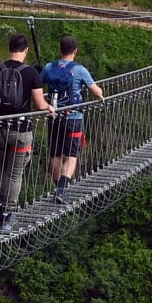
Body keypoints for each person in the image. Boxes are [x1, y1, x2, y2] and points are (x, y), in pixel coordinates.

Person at [0, 30, 53, 223]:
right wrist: (49, 107)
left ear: (10, 48)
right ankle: (8, 214)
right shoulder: (31, 73)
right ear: (26, 50)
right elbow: (40, 104)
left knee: (0, 166)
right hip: (21, 130)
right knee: (15, 173)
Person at [40, 34, 105, 195]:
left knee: (55, 154)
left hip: (54, 116)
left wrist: (45, 105)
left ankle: (57, 187)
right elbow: (96, 91)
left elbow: (37, 89)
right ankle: (61, 189)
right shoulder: (79, 70)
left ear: (60, 49)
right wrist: (101, 95)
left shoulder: (49, 67)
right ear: (75, 51)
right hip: (74, 118)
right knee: (71, 155)